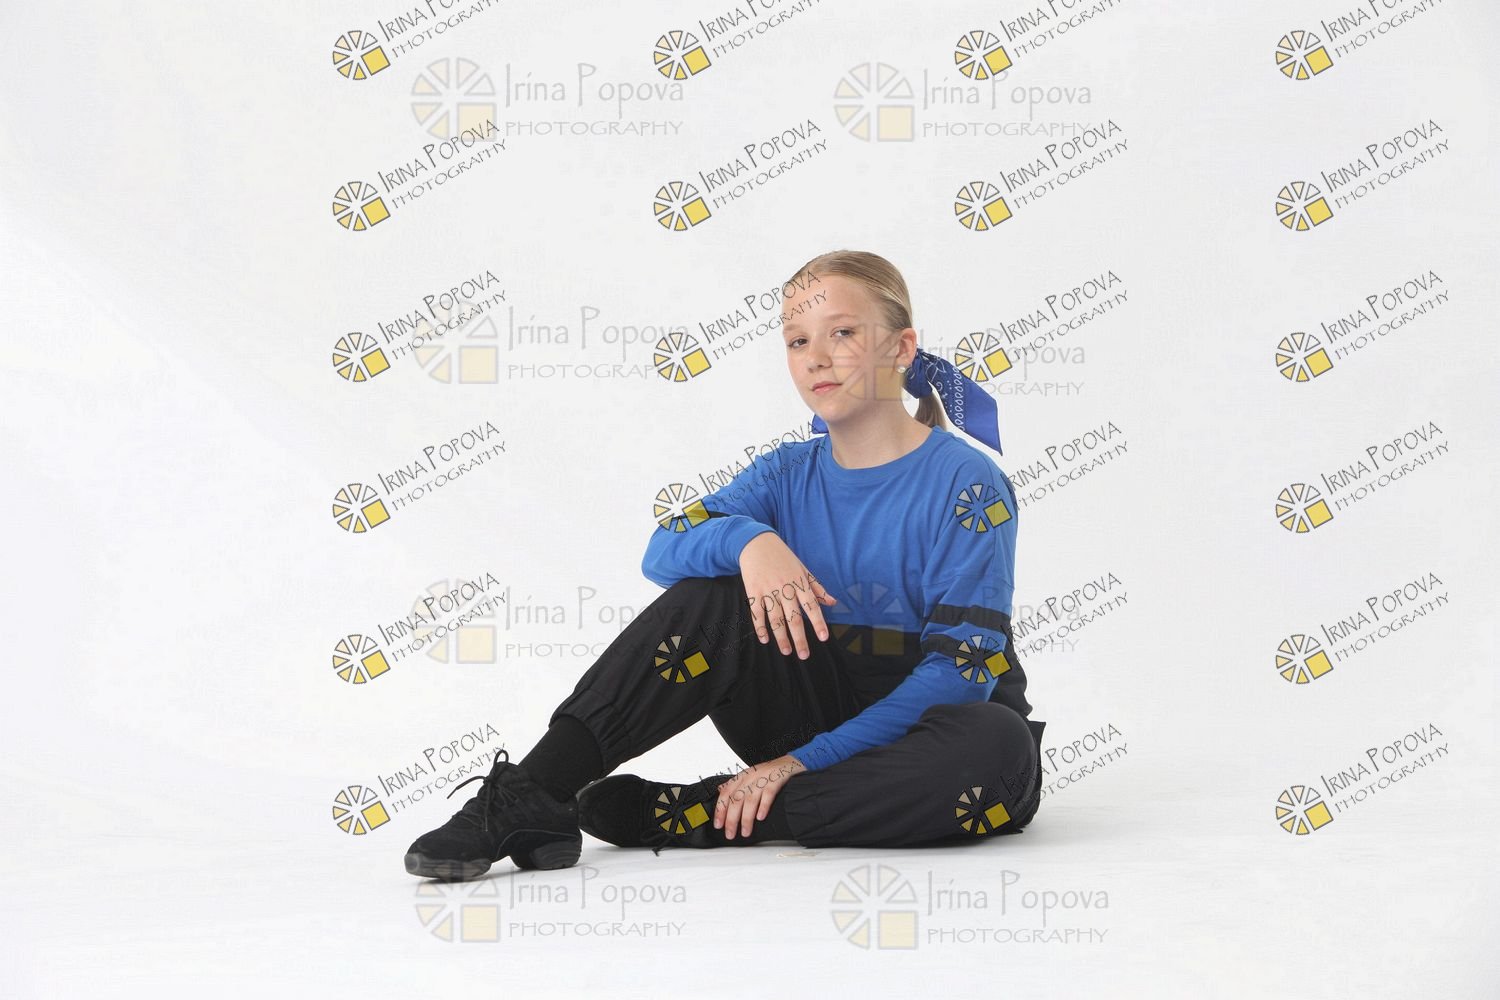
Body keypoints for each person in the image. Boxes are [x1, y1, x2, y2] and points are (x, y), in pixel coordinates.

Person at [403, 249, 1046, 882]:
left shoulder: (967, 483)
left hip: (930, 732)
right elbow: (663, 548)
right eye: (797, 341)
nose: (816, 358)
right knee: (712, 596)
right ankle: (535, 794)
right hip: (808, 708)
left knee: (995, 745)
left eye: (843, 333)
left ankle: (710, 812)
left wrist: (799, 763)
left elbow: (962, 672)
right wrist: (750, 543)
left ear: (901, 349)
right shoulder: (784, 473)